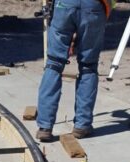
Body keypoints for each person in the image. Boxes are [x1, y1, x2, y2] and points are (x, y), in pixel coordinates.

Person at [36, 0, 116, 142]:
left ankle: (45, 126)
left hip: (65, 5)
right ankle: (82, 125)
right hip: (94, 6)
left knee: (54, 64)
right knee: (88, 66)